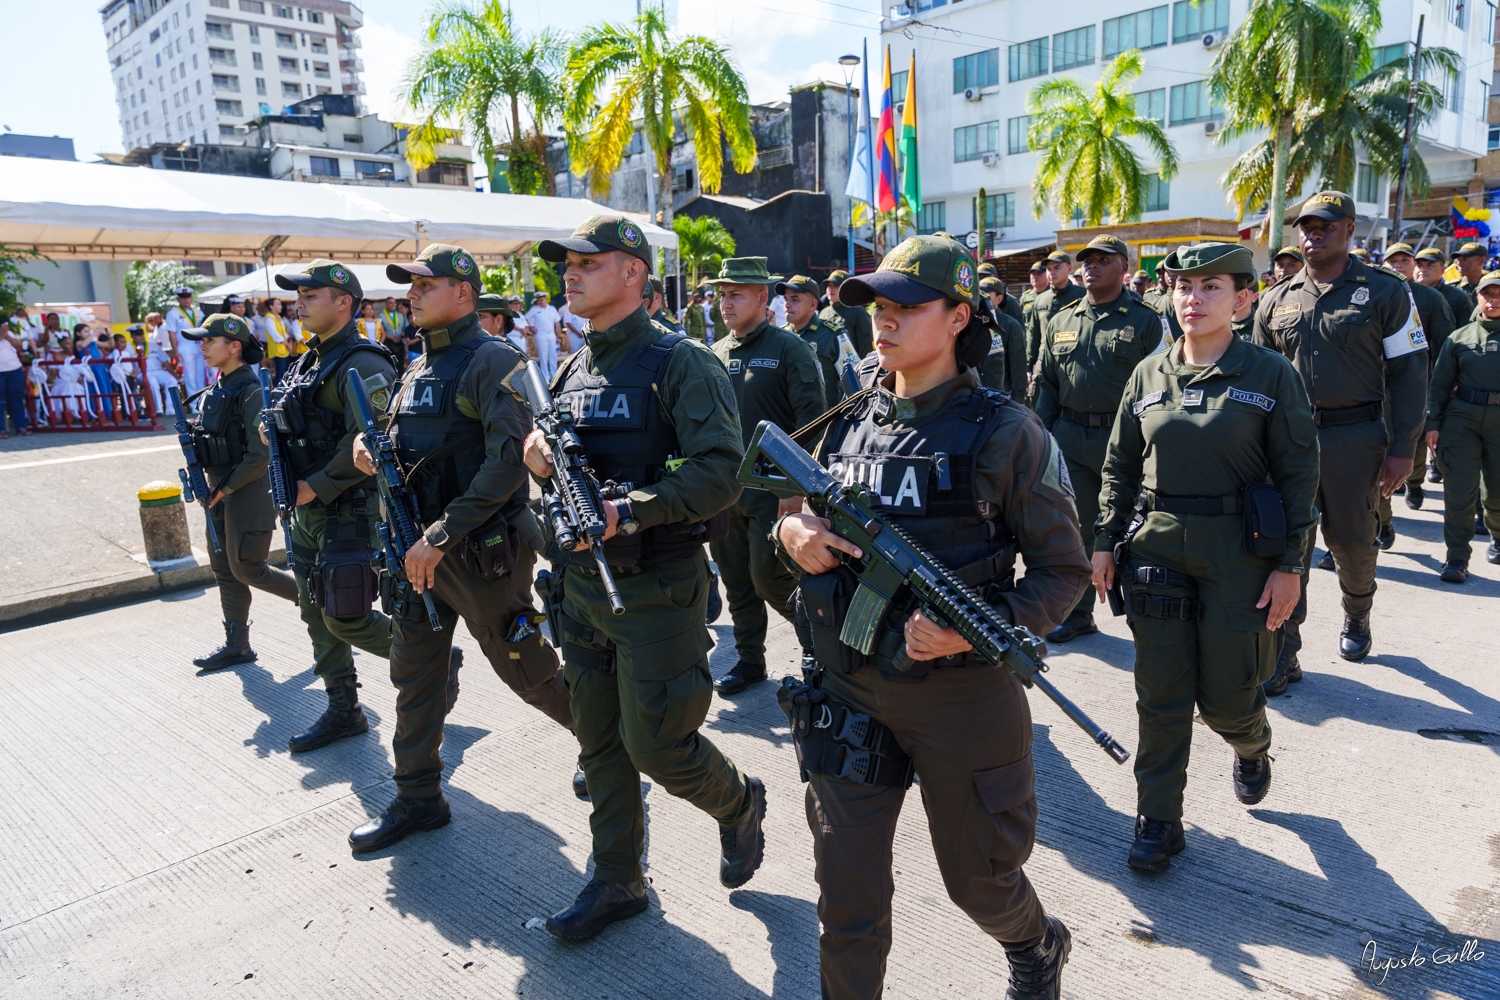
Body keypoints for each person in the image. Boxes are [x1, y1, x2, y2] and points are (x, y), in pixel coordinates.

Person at [776, 234, 1089, 1000]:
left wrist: (974, 627)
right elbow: (797, 509)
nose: (882, 322)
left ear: (958, 317)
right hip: (850, 686)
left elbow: (1064, 572)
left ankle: (1038, 945)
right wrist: (793, 534)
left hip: (962, 693)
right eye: (877, 308)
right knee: (846, 899)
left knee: (979, 882)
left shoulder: (1006, 431)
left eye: (904, 307)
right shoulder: (851, 415)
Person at [527, 214, 765, 940]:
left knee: (659, 744)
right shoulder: (570, 367)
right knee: (599, 743)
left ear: (633, 272)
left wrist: (628, 511)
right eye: (565, 264)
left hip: (656, 589)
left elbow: (723, 472)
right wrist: (535, 457)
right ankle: (617, 878)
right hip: (581, 590)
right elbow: (558, 472)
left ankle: (738, 803)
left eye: (587, 263)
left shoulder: (679, 361)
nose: (569, 273)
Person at [1092, 242, 1318, 872]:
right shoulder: (1148, 373)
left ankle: (1253, 745)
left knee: (1227, 696)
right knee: (1160, 694)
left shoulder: (1272, 375)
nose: (1193, 298)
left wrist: (1290, 566)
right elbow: (1119, 465)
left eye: (1211, 286)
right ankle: (1158, 820)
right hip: (1158, 544)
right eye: (1183, 286)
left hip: (1241, 552)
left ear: (1245, 299)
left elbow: (1299, 475)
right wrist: (1105, 540)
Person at [344, 245, 576, 852]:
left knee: (525, 667)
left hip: (477, 552)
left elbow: (506, 465)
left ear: (465, 293)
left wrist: (441, 536)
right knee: (415, 674)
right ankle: (417, 796)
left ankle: (608, 749)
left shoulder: (492, 360)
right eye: (409, 285)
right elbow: (414, 452)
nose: (411, 294)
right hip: (419, 554)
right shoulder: (418, 366)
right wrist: (370, 456)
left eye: (426, 284)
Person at [1254, 191, 1427, 667]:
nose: (1314, 233)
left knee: (1351, 542)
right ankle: (1285, 647)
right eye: (1308, 226)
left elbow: (1411, 371)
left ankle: (1357, 613)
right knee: (1289, 544)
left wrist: (1403, 447)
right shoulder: (1276, 300)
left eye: (1326, 225)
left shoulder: (1386, 291)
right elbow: (1256, 378)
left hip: (1356, 439)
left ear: (1350, 229)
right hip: (1288, 441)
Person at [266, 260, 401, 754]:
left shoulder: (364, 363)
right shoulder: (310, 360)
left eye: (310, 294)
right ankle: (343, 708)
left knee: (345, 613)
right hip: (306, 508)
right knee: (314, 609)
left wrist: (315, 486)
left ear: (343, 302)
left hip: (349, 507)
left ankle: (426, 657)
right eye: (298, 294)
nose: (298, 302)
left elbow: (371, 440)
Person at [1035, 235, 1167, 643]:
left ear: (1123, 267)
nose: (1091, 266)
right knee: (1076, 531)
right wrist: (1043, 439)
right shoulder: (1062, 320)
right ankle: (1078, 613)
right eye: (1087, 260)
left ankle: (1145, 614)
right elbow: (1048, 387)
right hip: (1072, 440)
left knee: (1135, 531)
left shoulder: (1146, 319)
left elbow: (1165, 384)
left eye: (1103, 260)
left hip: (1126, 440)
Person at [708, 259, 826, 695]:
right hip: (726, 491)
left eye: (735, 294)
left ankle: (819, 648)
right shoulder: (716, 353)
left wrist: (795, 489)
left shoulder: (790, 349)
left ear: (762, 298)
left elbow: (814, 421)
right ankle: (749, 661)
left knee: (770, 577)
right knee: (736, 579)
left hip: (773, 490)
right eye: (722, 295)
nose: (726, 303)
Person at [177, 313, 301, 669]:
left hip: (246, 489)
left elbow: (260, 453)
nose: (201, 346)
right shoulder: (217, 387)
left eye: (208, 340)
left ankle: (317, 604)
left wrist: (224, 487)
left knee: (248, 567)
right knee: (223, 569)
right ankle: (237, 644)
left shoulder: (250, 391)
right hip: (218, 490)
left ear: (234, 347)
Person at [1425, 270, 1500, 582]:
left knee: (1495, 494)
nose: (1493, 300)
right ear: (1478, 298)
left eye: (1499, 294)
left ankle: (1497, 534)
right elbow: (1440, 385)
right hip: (1462, 420)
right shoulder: (1460, 338)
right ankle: (1456, 558)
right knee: (1458, 496)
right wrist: (1433, 424)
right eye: (1488, 294)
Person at [1379, 242, 1455, 523]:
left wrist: (1439, 382)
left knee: (1414, 435)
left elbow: (1445, 344)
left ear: (1413, 265)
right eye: (1393, 261)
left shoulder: (1431, 298)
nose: (1398, 265)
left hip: (1417, 379)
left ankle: (1414, 482)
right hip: (1379, 382)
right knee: (1380, 439)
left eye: (1404, 261)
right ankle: (1382, 509)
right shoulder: (1376, 293)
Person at [780, 274, 846, 410]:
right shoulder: (779, 336)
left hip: (825, 422)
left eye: (794, 299)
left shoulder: (832, 334)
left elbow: (854, 381)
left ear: (812, 304)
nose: (787, 304)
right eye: (786, 299)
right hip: (788, 423)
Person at [1025, 251, 1086, 380]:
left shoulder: (1084, 296)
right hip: (1044, 359)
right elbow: (1033, 335)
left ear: (1069, 268)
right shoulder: (1041, 299)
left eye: (1057, 268)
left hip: (1075, 359)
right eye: (1048, 269)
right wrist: (1029, 366)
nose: (1052, 272)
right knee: (1040, 397)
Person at [979, 276, 1030, 398]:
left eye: (986, 294)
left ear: (999, 298)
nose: (981, 297)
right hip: (977, 391)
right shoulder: (972, 321)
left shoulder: (1010, 325)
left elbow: (1018, 364)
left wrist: (1019, 397)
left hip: (1002, 394)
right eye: (979, 292)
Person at [165, 287, 208, 400]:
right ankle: (193, 403)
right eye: (183, 298)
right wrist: (175, 351)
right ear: (178, 299)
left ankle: (202, 399)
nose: (186, 300)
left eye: (188, 297)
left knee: (200, 375)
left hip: (199, 345)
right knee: (190, 376)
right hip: (185, 345)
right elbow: (172, 334)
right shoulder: (173, 313)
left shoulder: (198, 312)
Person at [820, 270, 874, 356]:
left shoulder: (857, 311)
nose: (831, 289)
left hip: (853, 365)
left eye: (836, 285)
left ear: (846, 289)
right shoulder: (823, 313)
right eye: (829, 285)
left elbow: (865, 345)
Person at [525, 289, 562, 380]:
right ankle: (545, 377)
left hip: (551, 334)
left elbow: (557, 323)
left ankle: (554, 376)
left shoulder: (552, 309)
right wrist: (532, 328)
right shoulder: (534, 309)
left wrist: (559, 336)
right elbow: (525, 318)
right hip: (541, 334)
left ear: (546, 299)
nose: (540, 302)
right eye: (538, 300)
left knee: (553, 355)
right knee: (543, 356)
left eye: (541, 300)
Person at [0, 319, 29, 437]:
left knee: (17, 400)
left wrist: (7, 336)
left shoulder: (8, 334)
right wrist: (2, 335)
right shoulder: (3, 333)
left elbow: (20, 347)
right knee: (1, 402)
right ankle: (2, 430)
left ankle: (20, 426)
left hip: (14, 369)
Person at [1451, 241, 1487, 313]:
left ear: (1482, 260)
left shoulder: (1493, 286)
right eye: (1458, 260)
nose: (1460, 264)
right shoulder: (1452, 287)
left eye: (1465, 259)